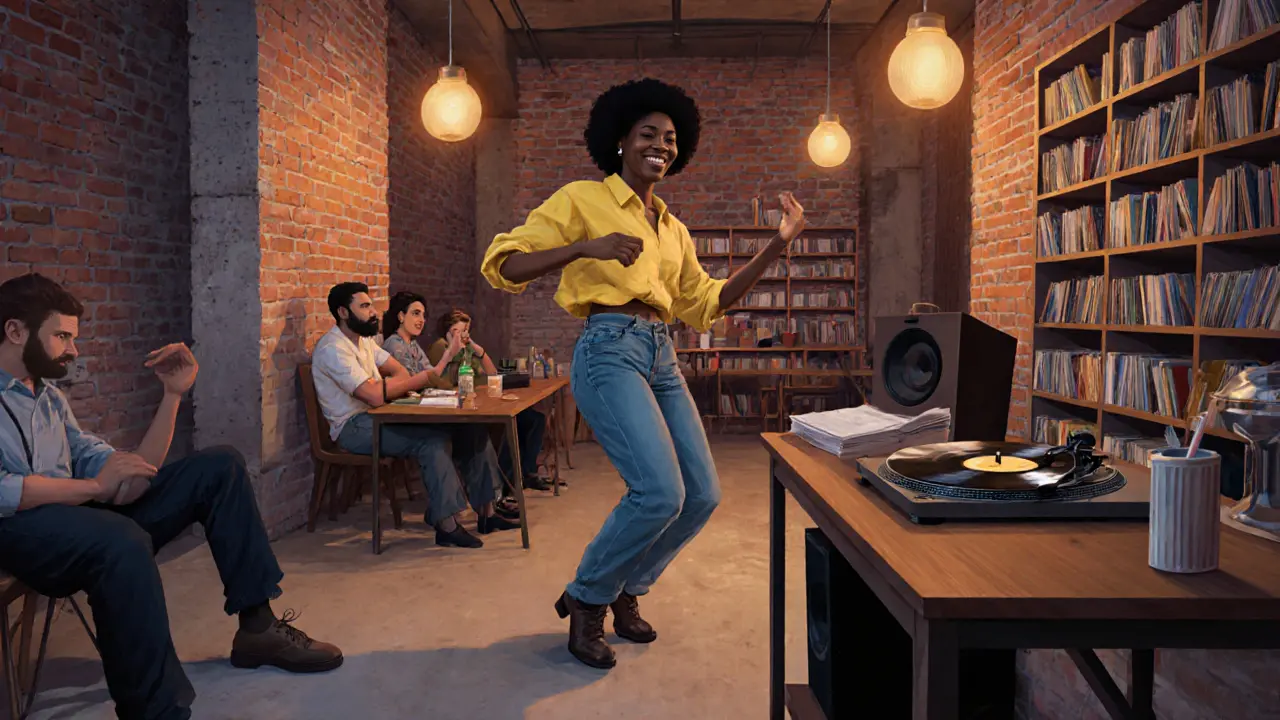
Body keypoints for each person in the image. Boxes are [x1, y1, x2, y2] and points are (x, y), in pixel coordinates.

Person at [480, 78, 806, 669]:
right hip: (608, 350)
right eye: (649, 134)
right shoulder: (583, 199)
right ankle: (586, 599)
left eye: (672, 138)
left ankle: (630, 590)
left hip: (662, 354)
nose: (662, 145)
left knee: (702, 494)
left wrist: (776, 246)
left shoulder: (672, 229)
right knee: (659, 492)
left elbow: (707, 302)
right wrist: (586, 248)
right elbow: (505, 264)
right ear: (622, 141)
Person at [0, 273, 342, 720]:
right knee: (119, 539)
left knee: (219, 466)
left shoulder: (48, 397)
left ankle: (258, 627)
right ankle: (156, 712)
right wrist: (94, 489)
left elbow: (131, 473)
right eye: (62, 336)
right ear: (14, 331)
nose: (73, 349)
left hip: (79, 520)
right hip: (17, 531)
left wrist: (173, 396)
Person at [311, 282, 518, 549]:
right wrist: (387, 389)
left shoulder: (365, 343)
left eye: (371, 305)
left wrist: (385, 388)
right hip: (353, 426)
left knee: (471, 428)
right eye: (364, 306)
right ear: (342, 312)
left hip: (380, 414)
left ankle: (487, 513)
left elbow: (399, 375)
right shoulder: (333, 349)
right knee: (430, 440)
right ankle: (446, 524)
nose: (373, 312)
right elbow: (374, 395)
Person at [378, 292, 519, 519]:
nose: (421, 320)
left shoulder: (412, 345)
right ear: (400, 316)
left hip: (425, 407)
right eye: (415, 314)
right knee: (470, 432)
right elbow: (419, 381)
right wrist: (449, 356)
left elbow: (432, 378)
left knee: (476, 431)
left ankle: (488, 509)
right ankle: (483, 508)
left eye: (423, 315)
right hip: (410, 415)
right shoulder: (394, 346)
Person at [426, 308, 553, 493]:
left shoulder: (467, 348)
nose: (463, 335)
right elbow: (444, 383)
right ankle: (506, 483)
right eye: (458, 331)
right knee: (508, 425)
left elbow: (492, 373)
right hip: (466, 407)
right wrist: (453, 352)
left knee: (535, 419)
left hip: (484, 398)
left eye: (466, 331)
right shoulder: (440, 347)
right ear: (447, 331)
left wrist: (478, 349)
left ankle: (527, 473)